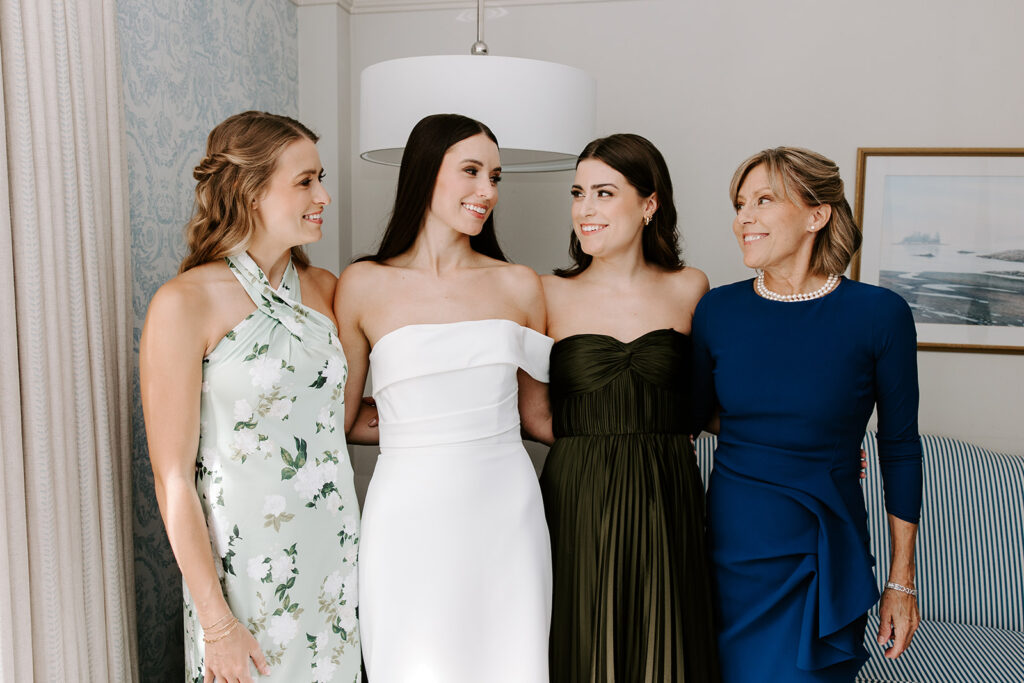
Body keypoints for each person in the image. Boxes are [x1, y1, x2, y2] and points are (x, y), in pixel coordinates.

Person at [141, 111, 371, 683]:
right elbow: (172, 478)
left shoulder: (328, 291)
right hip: (241, 571)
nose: (324, 195)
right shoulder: (183, 302)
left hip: (333, 558)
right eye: (305, 181)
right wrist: (217, 623)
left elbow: (342, 418)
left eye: (320, 178)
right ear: (249, 191)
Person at [334, 114, 553, 683]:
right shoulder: (362, 284)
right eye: (472, 171)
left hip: (506, 510)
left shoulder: (519, 284)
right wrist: (418, 428)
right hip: (408, 513)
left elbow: (539, 416)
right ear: (426, 173)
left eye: (495, 177)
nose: (489, 192)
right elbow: (342, 416)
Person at [691, 147, 923, 682]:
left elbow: (901, 447)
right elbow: (697, 415)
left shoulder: (879, 314)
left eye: (763, 200)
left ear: (816, 215)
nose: (743, 218)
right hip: (732, 550)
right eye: (740, 203)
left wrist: (901, 580)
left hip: (823, 548)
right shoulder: (717, 311)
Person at [539, 134, 721, 682]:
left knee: (666, 643)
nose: (585, 209)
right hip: (578, 490)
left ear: (649, 204)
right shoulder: (543, 292)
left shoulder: (691, 288)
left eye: (603, 193)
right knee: (580, 640)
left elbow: (708, 404)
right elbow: (532, 414)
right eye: (578, 193)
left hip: (668, 490)